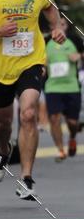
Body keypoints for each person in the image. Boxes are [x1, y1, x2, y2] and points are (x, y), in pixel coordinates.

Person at [0, 0, 66, 199]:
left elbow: (51, 10)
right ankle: (3, 149)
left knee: (29, 113)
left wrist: (57, 28)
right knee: (3, 123)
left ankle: (27, 177)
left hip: (31, 61)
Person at [44, 16, 81, 160]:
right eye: (58, 24)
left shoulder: (74, 39)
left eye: (63, 24)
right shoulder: (46, 41)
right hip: (53, 87)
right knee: (54, 118)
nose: (61, 26)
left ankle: (72, 137)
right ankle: (60, 150)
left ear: (66, 25)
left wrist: (79, 56)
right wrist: (42, 66)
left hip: (72, 87)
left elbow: (81, 54)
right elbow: (40, 58)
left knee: (72, 123)